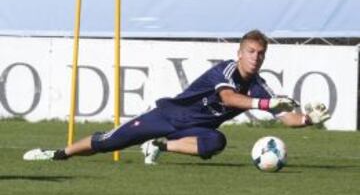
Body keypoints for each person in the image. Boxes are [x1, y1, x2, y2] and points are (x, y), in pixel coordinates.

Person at [23, 30, 331, 164]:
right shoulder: (225, 71)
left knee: (216, 142)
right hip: (167, 115)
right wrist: (265, 103)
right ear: (239, 53)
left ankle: (159, 146)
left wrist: (307, 120)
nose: (256, 57)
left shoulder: (259, 86)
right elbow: (228, 99)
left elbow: (286, 117)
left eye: (261, 54)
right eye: (251, 52)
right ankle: (56, 154)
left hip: (194, 131)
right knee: (107, 143)